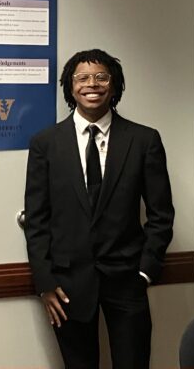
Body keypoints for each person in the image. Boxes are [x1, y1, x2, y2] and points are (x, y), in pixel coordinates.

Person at [24, 48, 174, 369]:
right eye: (82, 78)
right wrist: (45, 283)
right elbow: (36, 219)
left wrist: (146, 271)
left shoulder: (143, 140)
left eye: (101, 77)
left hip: (127, 280)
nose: (92, 84)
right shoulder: (46, 144)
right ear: (70, 87)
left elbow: (161, 215)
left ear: (114, 85)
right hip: (66, 286)